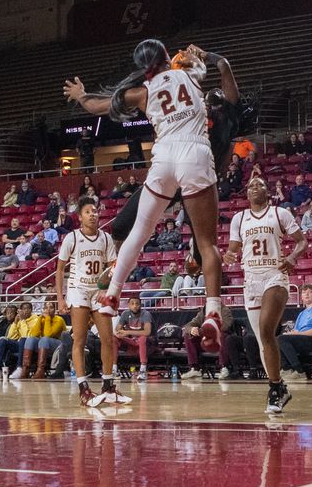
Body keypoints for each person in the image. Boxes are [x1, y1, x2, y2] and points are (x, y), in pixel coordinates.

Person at [63, 41, 226, 344]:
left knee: (139, 230)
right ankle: (213, 313)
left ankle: (112, 294)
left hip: (164, 157)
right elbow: (204, 66)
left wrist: (80, 95)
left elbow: (97, 106)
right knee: (206, 243)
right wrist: (197, 56)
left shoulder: (142, 92)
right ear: (167, 56)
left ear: (142, 67)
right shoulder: (190, 73)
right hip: (195, 153)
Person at [227, 177, 307, 413]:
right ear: (246, 193)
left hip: (275, 275)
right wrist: (229, 256)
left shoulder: (280, 213)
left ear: (267, 191)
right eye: (250, 185)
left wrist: (292, 257)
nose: (254, 187)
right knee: (263, 340)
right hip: (250, 281)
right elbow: (233, 249)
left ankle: (274, 389)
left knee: (265, 330)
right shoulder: (238, 218)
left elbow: (302, 242)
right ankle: (278, 386)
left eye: (259, 184)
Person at [55, 196, 122, 405]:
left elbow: (114, 266)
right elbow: (59, 270)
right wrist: (60, 298)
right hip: (78, 290)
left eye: (95, 211)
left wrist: (110, 291)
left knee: (108, 339)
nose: (93, 214)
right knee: (80, 340)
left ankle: (108, 386)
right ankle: (83, 389)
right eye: (88, 212)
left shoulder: (105, 238)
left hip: (98, 291)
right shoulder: (72, 238)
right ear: (80, 217)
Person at [275, 286, 312, 379]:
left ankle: (299, 371)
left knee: (281, 339)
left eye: (310, 292)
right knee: (277, 339)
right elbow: (296, 331)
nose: (307, 294)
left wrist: (297, 334)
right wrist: (291, 334)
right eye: (304, 293)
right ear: (301, 297)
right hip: (301, 339)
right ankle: (287, 369)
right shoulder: (302, 313)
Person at [0, 302, 32, 379]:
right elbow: (10, 336)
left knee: (23, 340)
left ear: (31, 310)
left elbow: (26, 335)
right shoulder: (17, 320)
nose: (25, 311)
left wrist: (23, 321)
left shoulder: (35, 319)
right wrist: (15, 322)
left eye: (27, 309)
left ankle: (20, 368)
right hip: (17, 344)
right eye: (23, 309)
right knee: (3, 340)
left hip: (28, 344)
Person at [114, 296, 153, 381]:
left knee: (143, 338)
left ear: (140, 305)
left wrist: (127, 332)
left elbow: (147, 332)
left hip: (148, 344)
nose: (135, 306)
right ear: (128, 305)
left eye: (137, 304)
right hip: (132, 342)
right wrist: (121, 333)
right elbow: (118, 329)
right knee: (114, 338)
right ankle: (114, 370)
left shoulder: (146, 314)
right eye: (132, 304)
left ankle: (142, 370)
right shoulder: (125, 314)